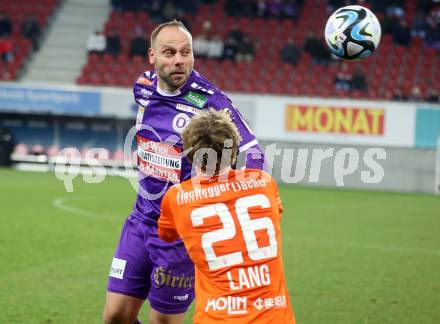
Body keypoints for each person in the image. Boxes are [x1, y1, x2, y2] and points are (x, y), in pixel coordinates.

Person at [103, 19, 265, 324]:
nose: (179, 60)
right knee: (114, 317)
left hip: (182, 234)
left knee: (163, 322)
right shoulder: (143, 87)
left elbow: (254, 153)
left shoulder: (211, 101)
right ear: (152, 56)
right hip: (141, 221)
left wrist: (249, 200)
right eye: (169, 52)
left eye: (185, 52)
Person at [157, 109, 296, 323]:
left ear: (190, 151)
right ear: (234, 147)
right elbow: (275, 215)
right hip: (274, 316)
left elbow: (166, 236)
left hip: (217, 317)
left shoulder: (176, 197)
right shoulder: (264, 182)